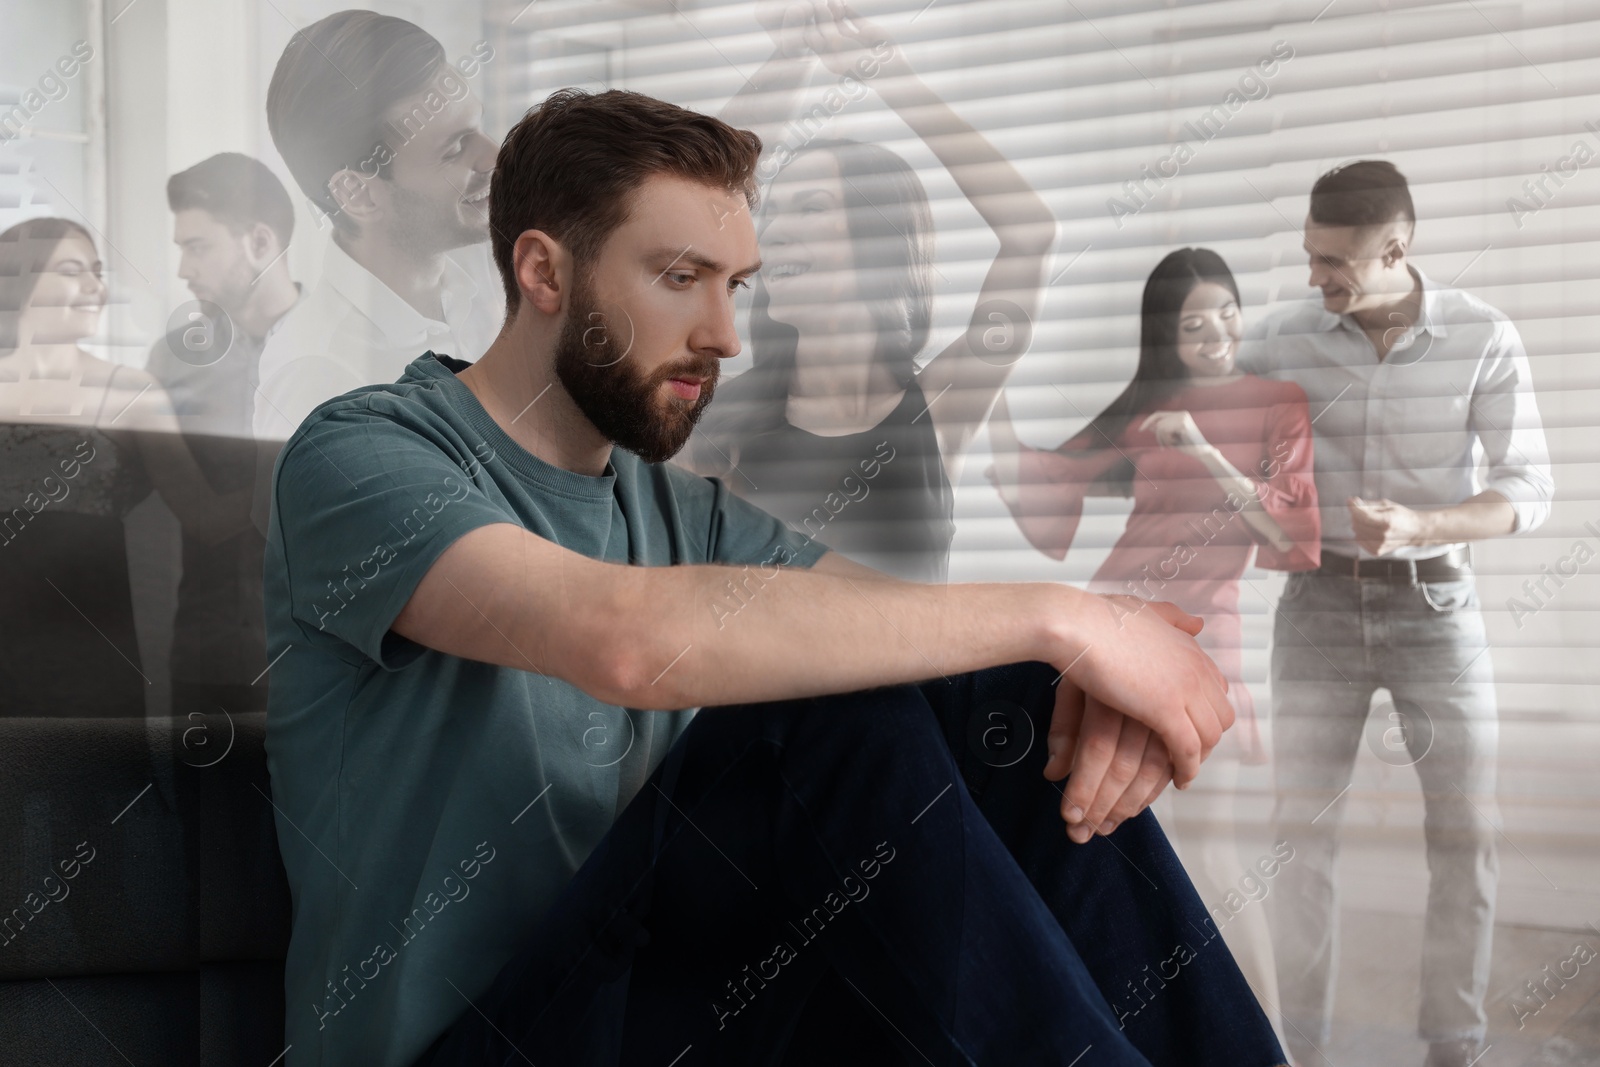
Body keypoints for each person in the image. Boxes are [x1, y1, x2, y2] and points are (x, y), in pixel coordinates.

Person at [262, 88, 1285, 1067]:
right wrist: (1069, 614)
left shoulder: (680, 511)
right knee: (820, 719)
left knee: (1003, 698)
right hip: (476, 1045)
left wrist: (1069, 669)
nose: (726, 335)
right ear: (544, 273)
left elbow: (914, 636)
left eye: (736, 284)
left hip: (667, 1013)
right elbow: (621, 637)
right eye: (679, 277)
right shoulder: (363, 457)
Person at [1237, 160, 1554, 1067]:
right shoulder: (1275, 340)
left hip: (1436, 605)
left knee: (1467, 832)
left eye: (1333, 261)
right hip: (1316, 607)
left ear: (1396, 249)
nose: (1315, 278)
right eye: (1308, 256)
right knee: (1299, 837)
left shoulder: (1484, 337)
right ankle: (1294, 1045)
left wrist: (1425, 523)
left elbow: (1528, 486)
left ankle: (1454, 1045)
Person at [985, 247, 1320, 1050]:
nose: (1214, 330)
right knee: (1102, 845)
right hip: (1112, 628)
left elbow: (1292, 534)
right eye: (1192, 320)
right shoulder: (1147, 408)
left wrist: (1201, 446)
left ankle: (1272, 1047)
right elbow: (1045, 484)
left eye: (1226, 312)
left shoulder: (1278, 402)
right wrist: (985, 388)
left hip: (1204, 637)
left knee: (1219, 860)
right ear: (1166, 332)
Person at [682, 1, 1056, 583]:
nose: (774, 232)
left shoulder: (939, 404)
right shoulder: (722, 419)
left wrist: (891, 75)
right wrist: (788, 61)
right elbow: (684, 216)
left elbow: (1030, 232)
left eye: (810, 208)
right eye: (772, 215)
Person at [0, 217, 252, 717]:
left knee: (92, 785)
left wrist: (293, 470)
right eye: (73, 271)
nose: (97, 287)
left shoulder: (131, 392)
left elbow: (209, 519)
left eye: (97, 271)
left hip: (90, 653)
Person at [252, 9, 502, 510]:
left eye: (477, 128)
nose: (494, 155)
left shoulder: (490, 297)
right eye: (455, 147)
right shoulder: (317, 374)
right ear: (360, 195)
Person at [146, 152, 302, 717]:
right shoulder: (170, 362)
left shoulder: (345, 349)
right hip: (208, 661)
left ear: (259, 242)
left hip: (329, 661)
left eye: (197, 246)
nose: (184, 269)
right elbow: (198, 515)